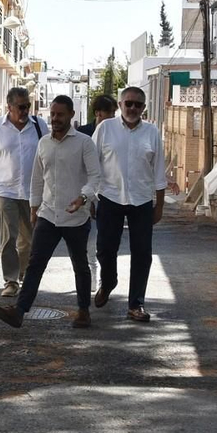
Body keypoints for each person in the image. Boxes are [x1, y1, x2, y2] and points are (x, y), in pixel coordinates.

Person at [0, 94, 99, 329]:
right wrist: (34, 207)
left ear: (71, 115)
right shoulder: (44, 143)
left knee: (80, 265)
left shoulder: (84, 143)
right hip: (48, 214)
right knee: (35, 263)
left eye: (60, 114)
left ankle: (83, 310)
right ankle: (19, 311)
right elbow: (37, 179)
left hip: (76, 217)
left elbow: (95, 177)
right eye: (52, 114)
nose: (55, 118)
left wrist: (83, 198)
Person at [91, 85, 167, 321]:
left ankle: (136, 304)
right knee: (105, 248)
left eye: (138, 104)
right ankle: (109, 280)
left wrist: (160, 205)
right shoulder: (105, 128)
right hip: (109, 197)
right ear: (120, 105)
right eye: (128, 103)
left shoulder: (152, 132)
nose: (133, 108)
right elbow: (92, 164)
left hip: (141, 200)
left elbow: (159, 171)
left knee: (142, 253)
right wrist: (90, 197)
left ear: (143, 108)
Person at [0, 87, 47, 297]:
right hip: (4, 190)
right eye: (21, 107)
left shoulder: (39, 126)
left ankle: (24, 273)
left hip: (32, 193)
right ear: (9, 107)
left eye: (28, 106)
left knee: (29, 239)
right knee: (8, 238)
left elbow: (48, 155)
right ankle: (10, 280)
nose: (26, 110)